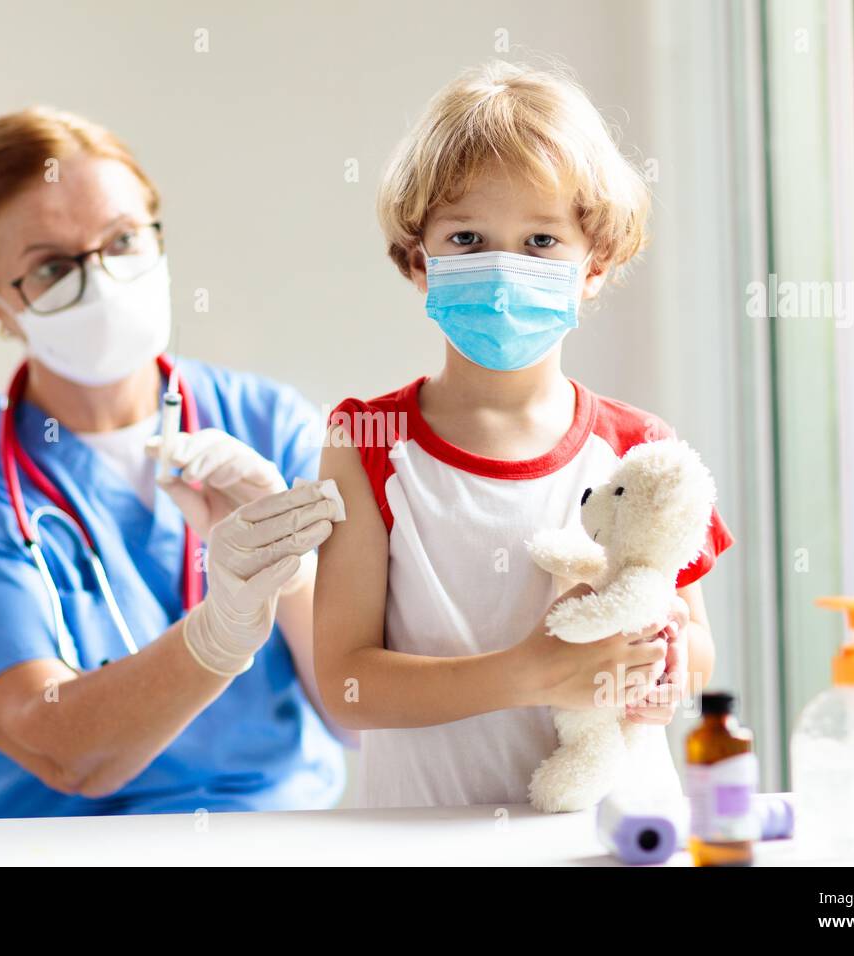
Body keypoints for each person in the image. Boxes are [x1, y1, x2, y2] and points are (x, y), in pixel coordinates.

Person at [0, 107, 346, 818]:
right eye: (51, 267)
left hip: (270, 840)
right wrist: (218, 629)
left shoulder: (272, 425)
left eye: (122, 241)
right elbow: (63, 751)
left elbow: (359, 712)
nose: (102, 283)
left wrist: (290, 577)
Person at [314, 62, 734, 808]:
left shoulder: (642, 450)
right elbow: (347, 684)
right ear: (420, 262)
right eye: (468, 237)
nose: (503, 271)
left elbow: (698, 650)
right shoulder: (367, 441)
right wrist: (528, 672)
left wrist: (665, 664)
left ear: (594, 265)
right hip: (425, 846)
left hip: (618, 838)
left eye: (541, 240)